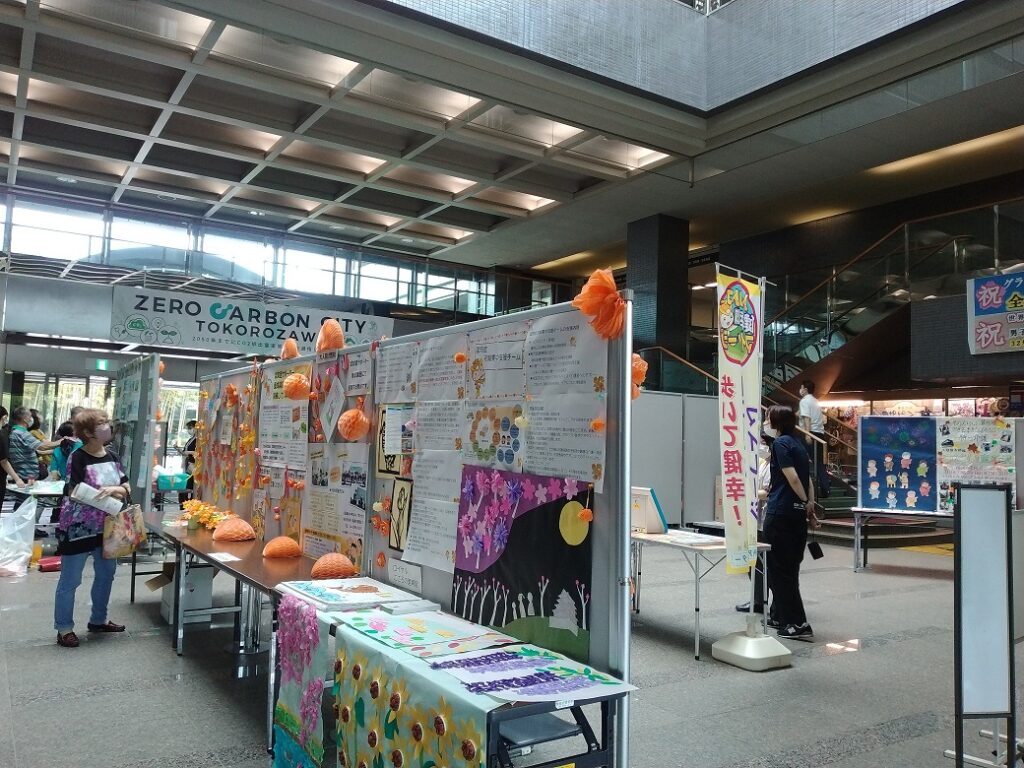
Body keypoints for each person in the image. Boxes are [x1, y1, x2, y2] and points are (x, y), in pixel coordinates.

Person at [54, 408, 129, 648]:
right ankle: (64, 628)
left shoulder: (113, 456)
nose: (108, 426)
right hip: (78, 528)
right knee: (70, 580)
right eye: (102, 423)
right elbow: (73, 490)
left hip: (108, 527)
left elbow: (126, 487)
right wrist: (101, 495)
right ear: (88, 432)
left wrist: (113, 490)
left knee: (106, 574)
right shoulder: (78, 457)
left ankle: (99, 620)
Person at [763, 404, 819, 642]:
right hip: (796, 517)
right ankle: (779, 615)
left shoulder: (780, 444)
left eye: (768, 418)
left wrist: (805, 501)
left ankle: (797, 623)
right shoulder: (799, 444)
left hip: (780, 513)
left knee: (779, 570)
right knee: (789, 569)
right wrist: (809, 505)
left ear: (777, 421)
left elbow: (793, 478)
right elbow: (807, 480)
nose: (766, 422)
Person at [736, 432, 774, 614]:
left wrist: (749, 493)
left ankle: (773, 602)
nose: (761, 446)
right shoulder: (763, 463)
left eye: (763, 442)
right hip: (756, 518)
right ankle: (758, 599)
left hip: (768, 519)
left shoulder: (775, 465)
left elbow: (767, 492)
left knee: (768, 563)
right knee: (754, 562)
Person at [3, 406, 63, 500]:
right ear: (24, 418)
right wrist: (63, 441)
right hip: (25, 475)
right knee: (25, 503)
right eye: (30, 416)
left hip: (26, 474)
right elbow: (42, 446)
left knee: (26, 502)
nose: (32, 419)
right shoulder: (21, 433)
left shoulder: (16, 431)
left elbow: (36, 450)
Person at [798, 380, 830, 498]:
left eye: (801, 387)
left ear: (805, 389)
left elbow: (807, 418)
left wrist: (807, 434)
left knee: (805, 460)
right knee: (819, 462)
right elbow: (801, 413)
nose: (800, 390)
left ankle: (821, 489)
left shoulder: (804, 401)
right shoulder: (815, 401)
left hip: (810, 433)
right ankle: (825, 488)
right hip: (820, 434)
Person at [178, 419, 198, 505]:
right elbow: (184, 451)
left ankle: (189, 504)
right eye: (188, 428)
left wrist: (188, 452)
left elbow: (197, 452)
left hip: (193, 464)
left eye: (190, 428)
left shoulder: (197, 440)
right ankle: (185, 504)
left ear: (195, 427)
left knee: (190, 486)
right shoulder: (191, 439)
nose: (189, 430)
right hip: (188, 464)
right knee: (186, 486)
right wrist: (178, 449)